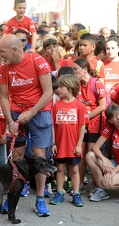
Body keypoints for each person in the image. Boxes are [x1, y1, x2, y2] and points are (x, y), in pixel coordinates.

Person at [0, 34, 53, 217]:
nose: (0, 55)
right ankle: (11, 195)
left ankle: (39, 199)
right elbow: (4, 97)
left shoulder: (37, 61)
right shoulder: (4, 68)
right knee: (16, 155)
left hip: (39, 112)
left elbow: (48, 92)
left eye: (2, 51)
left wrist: (32, 112)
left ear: (15, 50)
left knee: (39, 156)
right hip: (16, 113)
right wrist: (9, 122)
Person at [49, 74, 88, 207]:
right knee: (60, 168)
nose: (58, 89)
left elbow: (83, 126)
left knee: (75, 170)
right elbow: (53, 126)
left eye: (61, 86)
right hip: (60, 145)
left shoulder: (79, 106)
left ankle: (76, 194)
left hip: (73, 146)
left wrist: (79, 145)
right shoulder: (56, 106)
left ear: (70, 88)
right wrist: (53, 143)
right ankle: (59, 193)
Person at [73, 58, 107, 194]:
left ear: (85, 69)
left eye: (76, 69)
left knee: (92, 154)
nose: (73, 72)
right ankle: (80, 184)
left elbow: (102, 106)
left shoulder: (96, 83)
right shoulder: (77, 84)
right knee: (80, 154)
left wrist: (86, 116)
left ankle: (97, 185)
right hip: (82, 124)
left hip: (95, 124)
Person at [86, 103, 119, 202]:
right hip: (116, 164)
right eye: (114, 116)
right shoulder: (111, 129)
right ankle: (101, 189)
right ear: (110, 120)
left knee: (107, 182)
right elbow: (95, 147)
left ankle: (105, 184)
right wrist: (103, 158)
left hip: (117, 167)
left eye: (118, 114)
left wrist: (113, 172)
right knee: (89, 156)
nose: (118, 118)